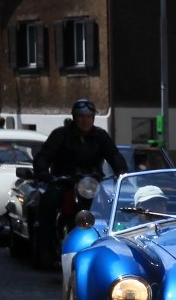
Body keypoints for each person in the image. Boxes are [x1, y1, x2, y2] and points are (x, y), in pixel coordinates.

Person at [33, 99, 127, 257]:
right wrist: (42, 171)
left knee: (114, 206)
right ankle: (46, 249)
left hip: (93, 183)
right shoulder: (61, 135)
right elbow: (44, 155)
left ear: (93, 118)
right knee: (49, 202)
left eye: (89, 116)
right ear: (75, 117)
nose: (85, 120)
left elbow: (113, 155)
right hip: (65, 182)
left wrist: (122, 171)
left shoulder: (100, 136)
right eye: (81, 116)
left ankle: (117, 246)